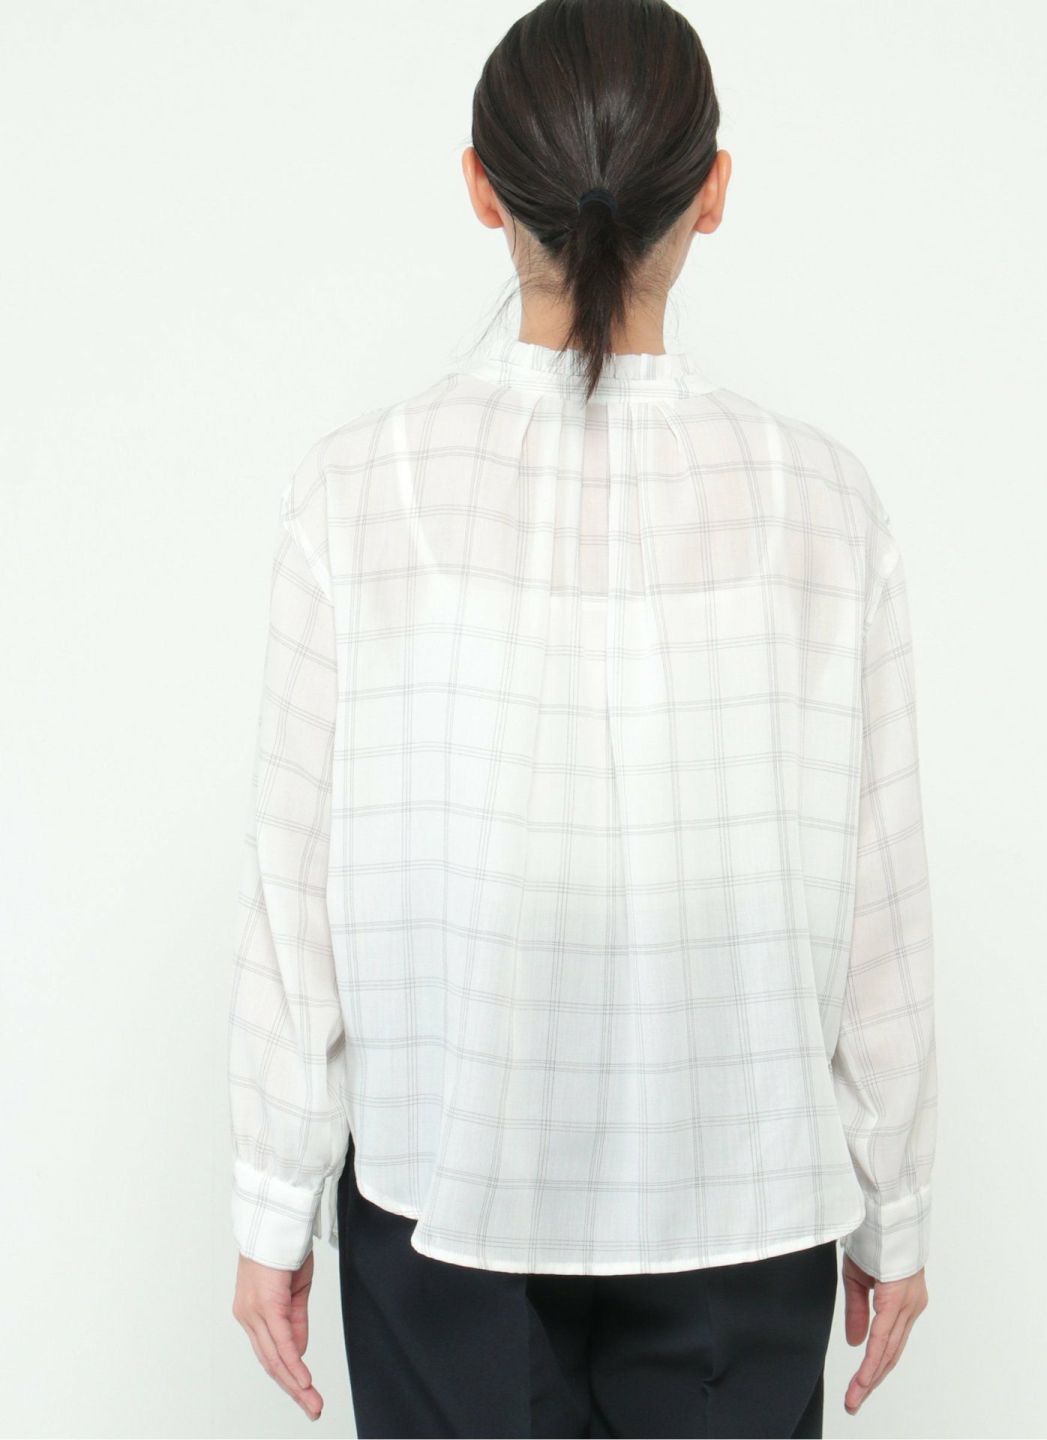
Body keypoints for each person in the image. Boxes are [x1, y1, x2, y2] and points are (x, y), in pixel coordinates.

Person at [227, 1, 937, 1435]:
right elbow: (881, 903)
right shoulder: (820, 500)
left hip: (446, 1189)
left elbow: (295, 893)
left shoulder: (360, 489)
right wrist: (896, 1202)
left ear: (481, 185)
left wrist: (270, 1195)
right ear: (713, 192)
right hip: (743, 1200)